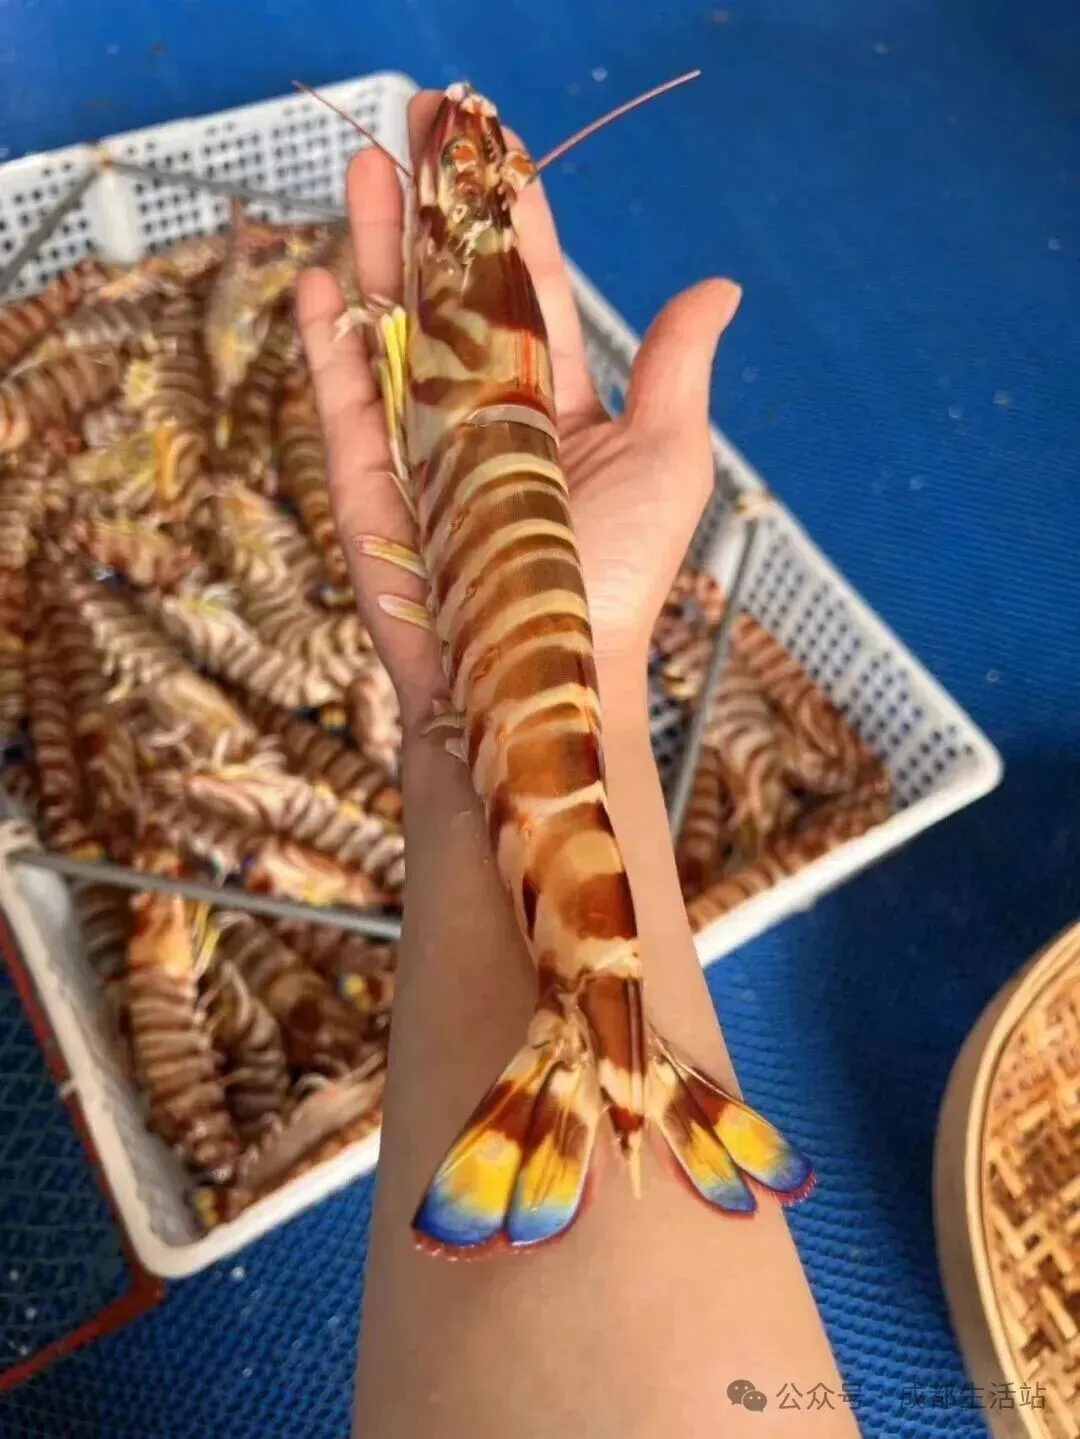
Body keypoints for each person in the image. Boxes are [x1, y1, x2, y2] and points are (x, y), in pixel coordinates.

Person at [297, 87, 860, 1439]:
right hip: (521, 633)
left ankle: (591, 1051)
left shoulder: (434, 327)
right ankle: (615, 1049)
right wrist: (584, 659)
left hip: (493, 628)